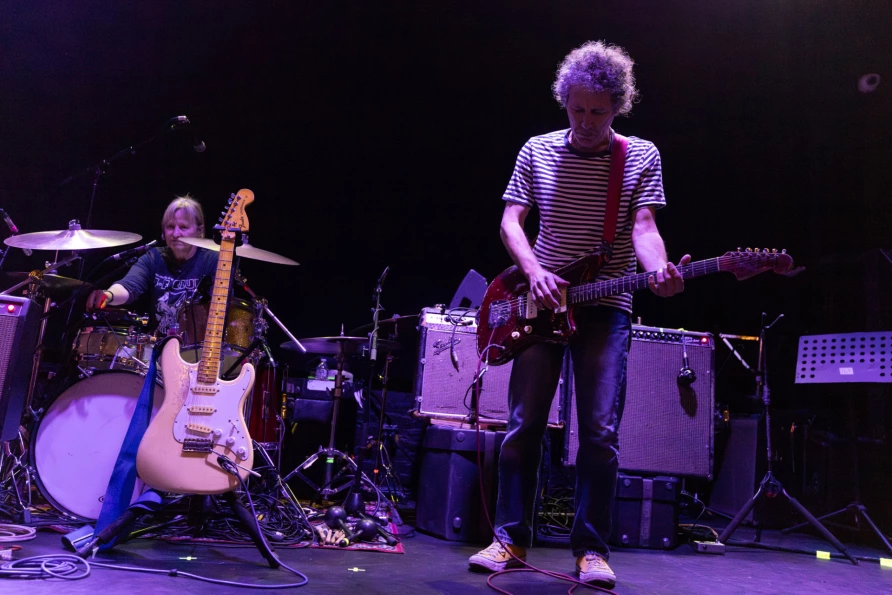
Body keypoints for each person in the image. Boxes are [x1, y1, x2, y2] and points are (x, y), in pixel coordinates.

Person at [468, 41, 691, 588]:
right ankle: (509, 540)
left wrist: (659, 269)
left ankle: (591, 549)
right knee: (523, 427)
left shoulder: (640, 156)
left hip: (606, 305)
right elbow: (511, 222)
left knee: (598, 432)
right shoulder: (537, 150)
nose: (587, 122)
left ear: (619, 107)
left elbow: (644, 229)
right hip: (539, 303)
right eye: (577, 110)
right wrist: (535, 271)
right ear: (564, 101)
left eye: (599, 112)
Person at [86, 195, 218, 336]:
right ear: (163, 231)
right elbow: (129, 286)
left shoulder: (212, 260)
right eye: (170, 227)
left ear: (199, 231)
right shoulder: (154, 257)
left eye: (183, 227)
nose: (176, 233)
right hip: (158, 347)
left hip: (198, 349)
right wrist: (108, 295)